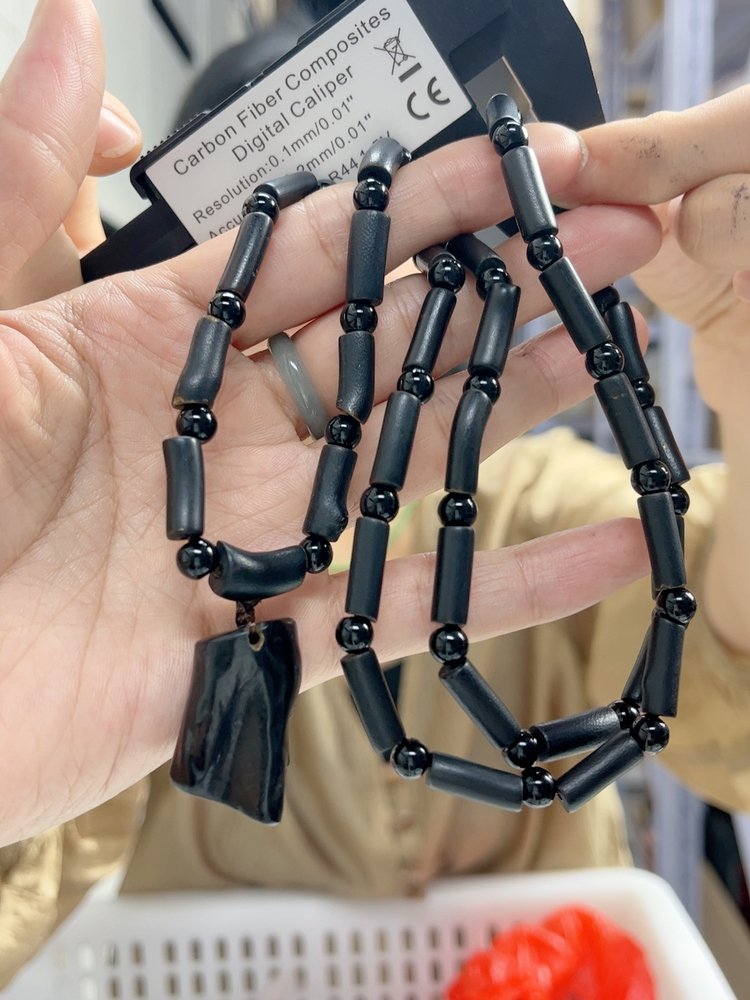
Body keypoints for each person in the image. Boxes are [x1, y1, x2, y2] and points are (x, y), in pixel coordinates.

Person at [2, 0, 750, 984]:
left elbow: (725, 693)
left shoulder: (527, 499)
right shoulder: (149, 575)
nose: (341, 307)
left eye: (380, 270)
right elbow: (33, 890)